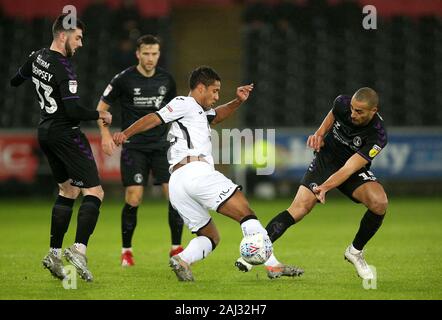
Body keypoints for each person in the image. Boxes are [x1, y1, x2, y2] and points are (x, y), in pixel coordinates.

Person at [113, 66, 273, 281]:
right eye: (214, 91)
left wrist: (237, 101)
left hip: (178, 183)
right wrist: (126, 133)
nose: (217, 96)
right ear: (200, 88)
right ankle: (274, 265)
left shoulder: (198, 111)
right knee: (245, 212)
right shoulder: (184, 103)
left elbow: (215, 117)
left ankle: (183, 260)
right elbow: (155, 117)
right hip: (196, 171)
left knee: (211, 237)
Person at [236, 87, 388, 280]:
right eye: (352, 109)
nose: (352, 114)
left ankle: (355, 251)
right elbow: (333, 114)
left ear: (373, 111)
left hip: (351, 168)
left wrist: (325, 187)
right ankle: (255, 252)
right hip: (326, 160)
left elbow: (349, 169)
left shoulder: (378, 135)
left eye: (359, 112)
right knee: (299, 208)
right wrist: (319, 133)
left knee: (379, 202)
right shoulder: (342, 103)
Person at [10, 14, 112, 282]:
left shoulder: (37, 57)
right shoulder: (64, 68)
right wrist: (99, 115)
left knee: (68, 189)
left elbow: (15, 81)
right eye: (77, 38)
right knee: (95, 192)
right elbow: (74, 109)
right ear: (63, 35)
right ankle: (78, 250)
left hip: (45, 131)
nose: (80, 44)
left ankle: (54, 253)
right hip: (66, 133)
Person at [97, 34, 184, 266]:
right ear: (137, 54)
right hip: (134, 147)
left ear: (159, 54)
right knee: (134, 198)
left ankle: (176, 248)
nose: (150, 58)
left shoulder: (167, 79)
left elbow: (175, 110)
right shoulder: (123, 79)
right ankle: (127, 251)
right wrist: (105, 135)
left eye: (154, 53)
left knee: (175, 197)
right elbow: (102, 108)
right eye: (146, 53)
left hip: (162, 147)